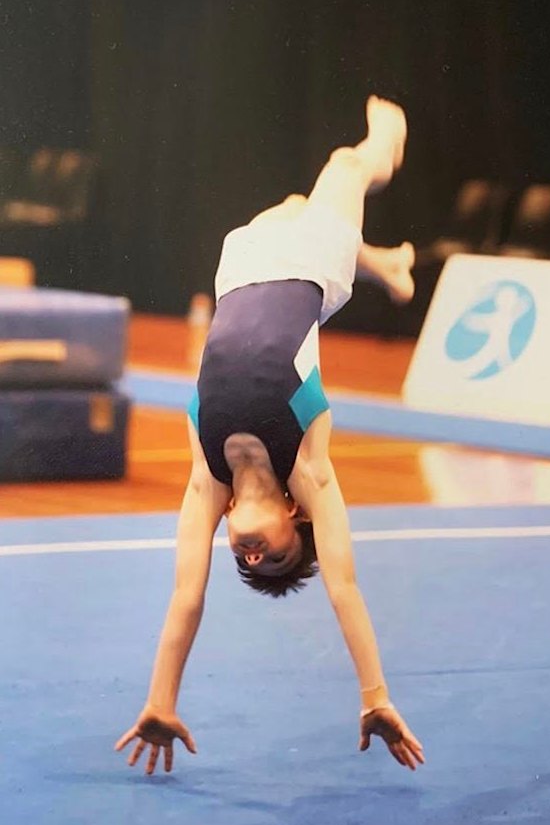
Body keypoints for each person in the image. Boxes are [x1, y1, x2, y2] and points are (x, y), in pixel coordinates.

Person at [115, 96, 425, 776]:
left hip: (242, 265)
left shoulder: (207, 477)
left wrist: (161, 699)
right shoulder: (308, 464)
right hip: (313, 266)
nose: (253, 556)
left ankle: (387, 265)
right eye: (277, 557)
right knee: (346, 165)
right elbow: (343, 586)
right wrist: (374, 696)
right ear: (295, 515)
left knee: (291, 202)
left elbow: (186, 595)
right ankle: (384, 147)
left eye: (247, 563)